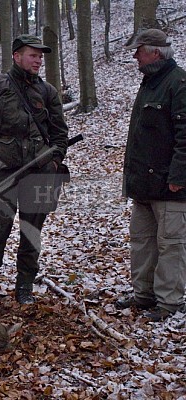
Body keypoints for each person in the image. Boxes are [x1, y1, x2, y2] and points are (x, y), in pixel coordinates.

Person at [0, 34, 69, 305]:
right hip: (1, 171)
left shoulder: (47, 92)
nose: (38, 60)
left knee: (31, 230)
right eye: (33, 55)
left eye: (41, 56)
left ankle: (24, 285)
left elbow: (60, 134)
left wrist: (54, 161)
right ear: (16, 56)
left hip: (39, 173)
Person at [117, 29, 186, 321]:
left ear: (155, 52)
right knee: (142, 242)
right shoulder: (150, 83)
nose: (135, 57)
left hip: (171, 186)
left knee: (171, 245)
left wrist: (178, 176)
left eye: (138, 51)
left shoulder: (179, 84)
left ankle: (169, 303)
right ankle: (144, 296)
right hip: (143, 185)